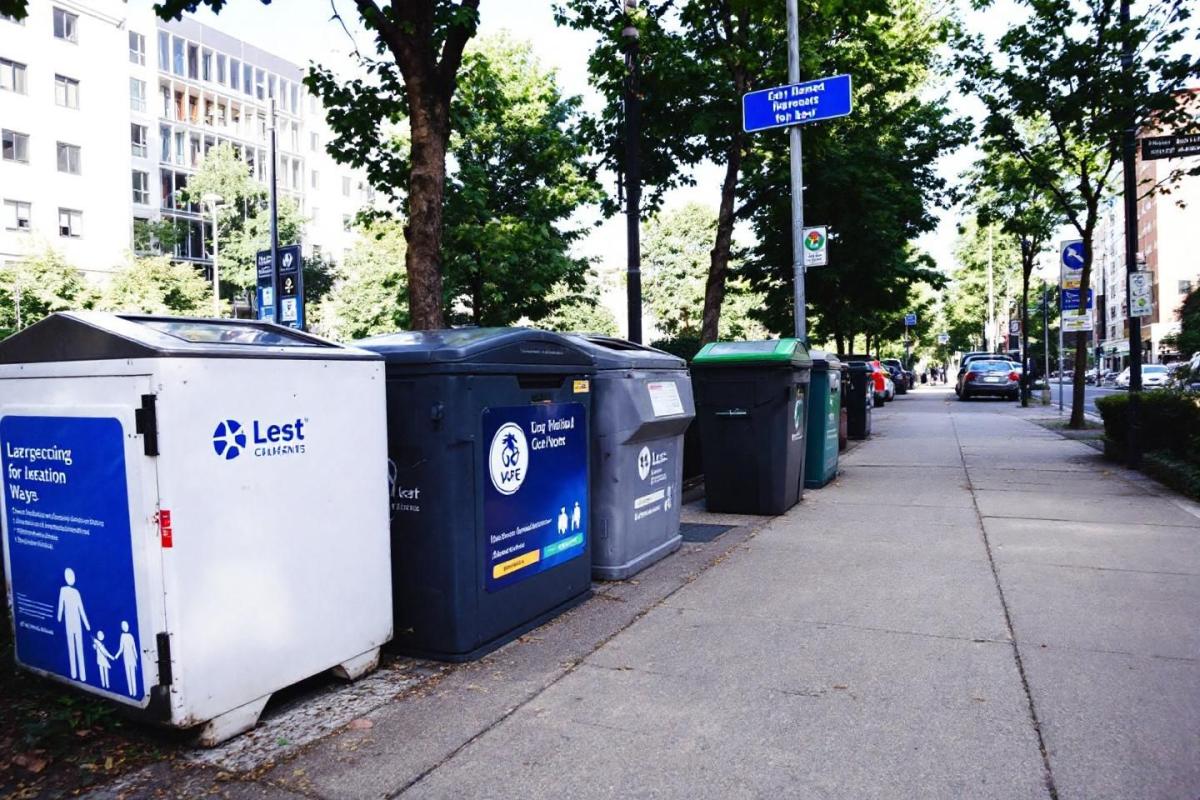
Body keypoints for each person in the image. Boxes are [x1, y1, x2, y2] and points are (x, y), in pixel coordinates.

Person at [57, 568, 90, 682]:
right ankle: (73, 673)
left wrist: (86, 624)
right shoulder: (63, 590)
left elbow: (81, 609)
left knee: (79, 647)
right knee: (71, 646)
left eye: (73, 577)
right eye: (69, 577)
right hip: (69, 622)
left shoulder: (76, 592)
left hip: (77, 622)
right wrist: (59, 616)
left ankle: (83, 674)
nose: (72, 579)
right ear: (66, 578)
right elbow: (61, 605)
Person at [116, 621, 138, 697]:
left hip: (131, 657)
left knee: (132, 674)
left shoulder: (130, 636)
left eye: (126, 625)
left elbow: (134, 647)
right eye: (124, 626)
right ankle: (131, 692)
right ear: (122, 627)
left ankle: (134, 692)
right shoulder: (123, 636)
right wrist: (117, 655)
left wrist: (136, 657)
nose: (125, 627)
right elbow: (121, 648)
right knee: (129, 674)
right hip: (126, 657)